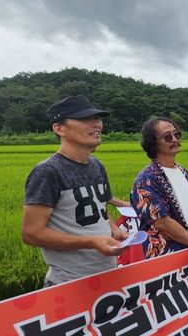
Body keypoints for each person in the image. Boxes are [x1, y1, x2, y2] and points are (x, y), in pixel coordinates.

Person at [22, 95, 128, 286]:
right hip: (69, 282)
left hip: (107, 273)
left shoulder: (97, 165)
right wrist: (90, 242)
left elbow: (99, 208)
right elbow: (31, 233)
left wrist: (113, 229)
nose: (96, 124)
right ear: (59, 128)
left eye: (97, 118)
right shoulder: (48, 172)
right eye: (85, 119)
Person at [131, 117, 188, 259]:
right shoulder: (146, 179)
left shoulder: (183, 172)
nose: (174, 139)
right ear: (153, 144)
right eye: (168, 137)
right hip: (169, 257)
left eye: (177, 134)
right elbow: (162, 222)